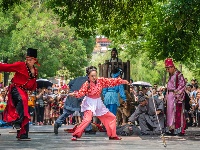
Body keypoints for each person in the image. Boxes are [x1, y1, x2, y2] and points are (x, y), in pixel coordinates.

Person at [68, 66, 129, 141]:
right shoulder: (87, 84)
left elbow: (110, 81)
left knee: (111, 117)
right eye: (92, 76)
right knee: (87, 119)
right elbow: (81, 93)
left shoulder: (100, 80)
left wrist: (122, 81)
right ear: (88, 76)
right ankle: (76, 135)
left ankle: (112, 135)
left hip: (98, 102)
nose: (94, 77)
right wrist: (74, 94)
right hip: (89, 103)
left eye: (95, 75)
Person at [0, 48, 39, 140]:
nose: (28, 61)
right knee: (23, 100)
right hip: (15, 88)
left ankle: (23, 134)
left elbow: (33, 83)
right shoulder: (20, 65)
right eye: (27, 59)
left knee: (26, 111)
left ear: (35, 60)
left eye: (30, 59)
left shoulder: (35, 71)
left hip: (24, 91)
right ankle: (17, 121)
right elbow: (7, 67)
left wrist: (31, 90)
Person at [165, 58, 186, 135]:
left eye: (168, 68)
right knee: (169, 113)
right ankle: (171, 129)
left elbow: (182, 85)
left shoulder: (179, 74)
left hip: (176, 96)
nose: (167, 70)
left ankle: (178, 130)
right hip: (170, 95)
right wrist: (167, 96)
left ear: (173, 67)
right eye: (166, 69)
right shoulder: (170, 75)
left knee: (176, 112)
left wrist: (177, 94)